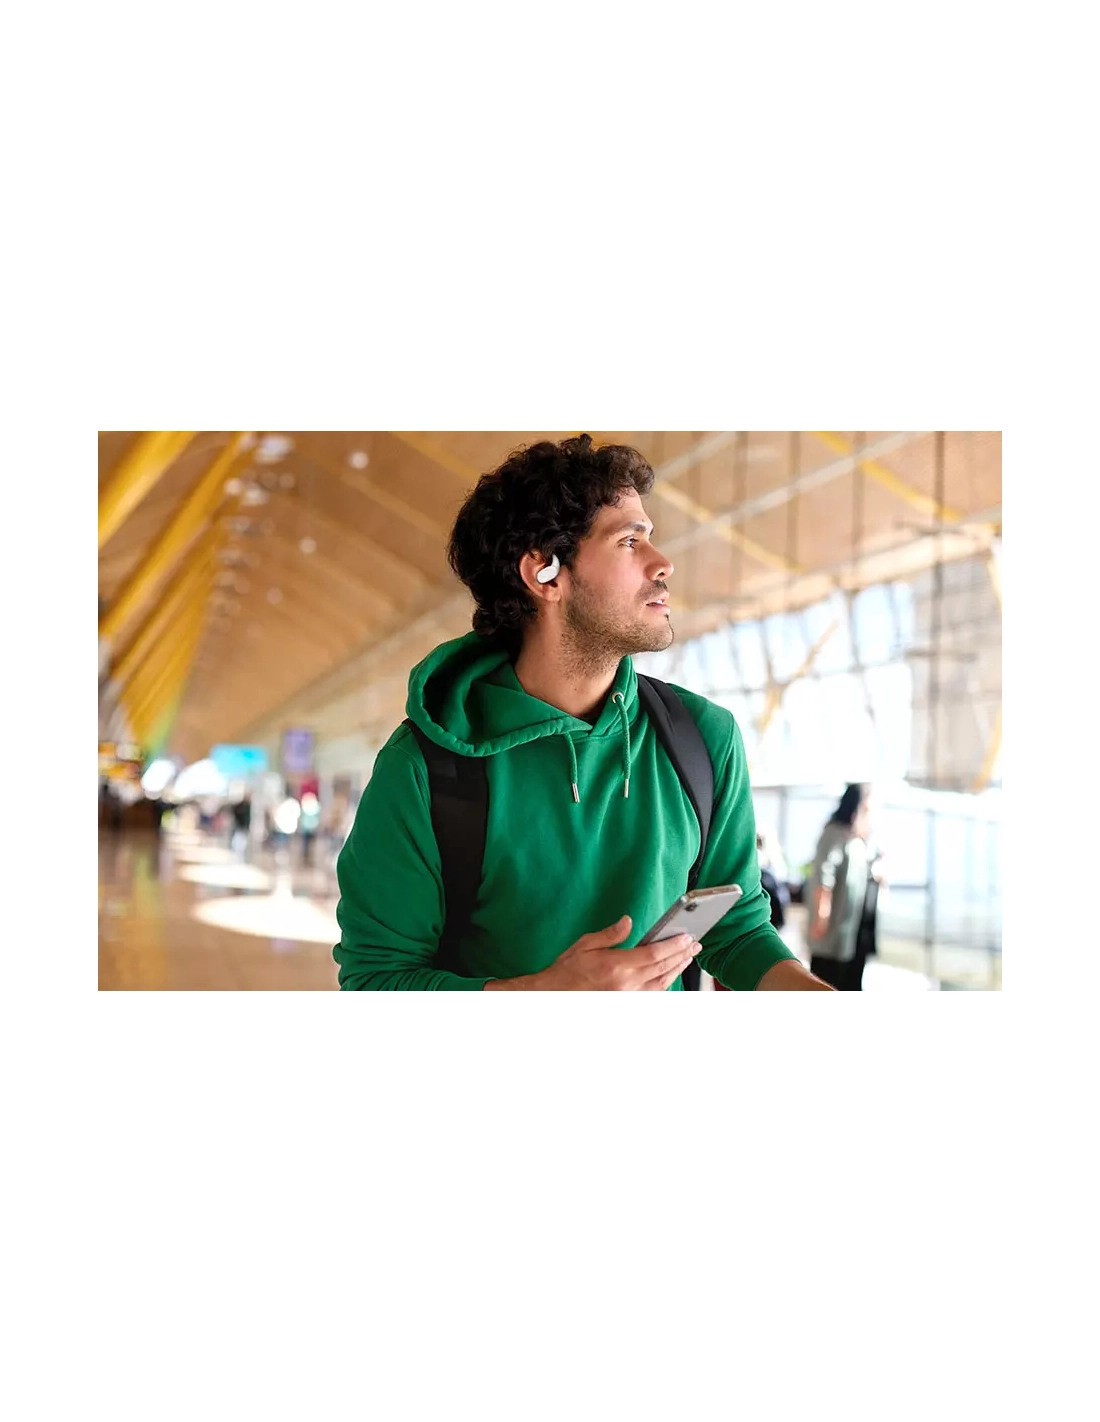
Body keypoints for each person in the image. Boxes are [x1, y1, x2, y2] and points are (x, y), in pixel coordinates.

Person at [333, 434, 833, 991]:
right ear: (544, 573)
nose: (663, 563)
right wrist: (543, 994)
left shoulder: (702, 739)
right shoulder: (426, 768)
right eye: (629, 541)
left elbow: (737, 931)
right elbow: (376, 979)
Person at [804, 783, 883, 990]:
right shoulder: (834, 834)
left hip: (851, 933)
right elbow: (823, 876)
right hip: (831, 931)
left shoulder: (857, 841)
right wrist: (821, 915)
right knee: (825, 980)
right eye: (866, 810)